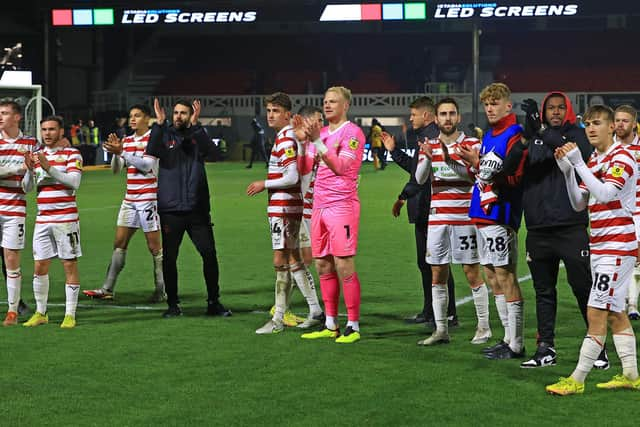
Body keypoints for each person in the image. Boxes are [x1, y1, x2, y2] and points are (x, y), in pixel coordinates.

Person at [546, 105, 640, 395]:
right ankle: (631, 375)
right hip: (601, 245)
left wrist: (579, 166)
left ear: (612, 127)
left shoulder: (622, 156)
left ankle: (577, 378)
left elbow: (607, 193)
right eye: (587, 124)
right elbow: (580, 203)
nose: (590, 128)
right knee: (615, 313)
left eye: (597, 123)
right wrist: (567, 172)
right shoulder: (595, 158)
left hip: (617, 246)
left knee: (596, 309)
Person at [508, 93, 600, 369]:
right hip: (538, 227)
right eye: (550, 108)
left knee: (583, 288)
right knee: (543, 291)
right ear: (544, 112)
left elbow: (574, 154)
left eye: (561, 108)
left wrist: (543, 131)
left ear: (569, 110)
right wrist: (526, 136)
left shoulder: (578, 135)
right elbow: (509, 167)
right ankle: (545, 348)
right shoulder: (534, 136)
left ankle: (598, 347)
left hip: (571, 226)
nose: (556, 112)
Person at [457, 83, 526, 360]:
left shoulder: (515, 134)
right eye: (487, 104)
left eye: (495, 103)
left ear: (508, 106)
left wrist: (482, 163)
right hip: (481, 214)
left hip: (500, 214)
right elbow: (485, 174)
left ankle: (517, 344)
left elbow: (514, 176)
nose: (490, 108)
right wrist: (476, 162)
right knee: (491, 275)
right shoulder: (488, 135)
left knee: (506, 276)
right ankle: (507, 338)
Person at [414, 97, 491, 345]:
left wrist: (448, 160)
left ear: (458, 117)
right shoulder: (430, 145)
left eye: (452, 114)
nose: (447, 118)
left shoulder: (472, 144)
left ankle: (484, 327)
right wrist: (426, 157)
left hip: (465, 217)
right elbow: (419, 178)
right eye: (443, 114)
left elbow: (473, 177)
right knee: (437, 273)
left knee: (471, 272)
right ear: (436, 119)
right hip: (438, 218)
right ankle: (441, 330)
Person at [146, 98, 230, 318]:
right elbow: (151, 150)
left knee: (209, 254)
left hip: (197, 208)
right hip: (171, 210)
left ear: (190, 115)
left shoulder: (196, 136)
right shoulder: (164, 135)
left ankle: (214, 302)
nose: (178, 116)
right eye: (176, 113)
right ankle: (173, 305)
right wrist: (159, 123)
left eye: (183, 113)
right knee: (170, 258)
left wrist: (196, 126)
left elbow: (213, 154)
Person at [247, 93, 323, 334]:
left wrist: (264, 184)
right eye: (269, 110)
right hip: (285, 207)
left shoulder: (286, 138)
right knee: (293, 259)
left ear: (288, 114)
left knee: (281, 260)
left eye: (276, 111)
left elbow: (292, 176)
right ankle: (315, 310)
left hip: (284, 207)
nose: (271, 115)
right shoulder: (286, 136)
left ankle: (278, 319)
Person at [297, 86, 366, 343]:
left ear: (345, 105)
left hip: (342, 205)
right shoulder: (322, 133)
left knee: (343, 263)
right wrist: (303, 142)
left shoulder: (353, 133)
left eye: (333, 102)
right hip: (319, 206)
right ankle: (330, 323)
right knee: (323, 264)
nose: (327, 106)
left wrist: (314, 141)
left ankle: (353, 325)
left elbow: (341, 167)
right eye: (325, 101)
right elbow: (305, 167)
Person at [381, 96, 457, 326]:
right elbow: (415, 170)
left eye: (413, 114)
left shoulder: (432, 137)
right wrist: (394, 151)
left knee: (437, 263)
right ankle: (430, 311)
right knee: (427, 263)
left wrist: (402, 196)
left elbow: (420, 179)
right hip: (424, 208)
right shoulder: (423, 137)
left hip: (431, 207)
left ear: (425, 115)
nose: (410, 118)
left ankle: (447, 313)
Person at [83, 104, 166, 303]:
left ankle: (162, 290)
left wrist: (123, 152)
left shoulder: (152, 140)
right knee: (119, 243)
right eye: (131, 116)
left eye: (137, 116)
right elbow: (115, 170)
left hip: (148, 199)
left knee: (154, 247)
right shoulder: (127, 141)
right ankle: (107, 288)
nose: (133, 119)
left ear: (148, 119)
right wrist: (116, 153)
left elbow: (147, 166)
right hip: (130, 199)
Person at [22, 116, 83, 328]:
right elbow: (27, 188)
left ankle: (70, 315)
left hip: (66, 219)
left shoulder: (72, 154)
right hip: (43, 219)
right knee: (40, 266)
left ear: (61, 131)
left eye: (51, 129)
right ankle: (41, 312)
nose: (47, 133)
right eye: (44, 130)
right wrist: (30, 170)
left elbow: (74, 183)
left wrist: (50, 169)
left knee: (69, 264)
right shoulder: (38, 156)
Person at [0, 100, 38, 326]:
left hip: (15, 210)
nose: (0, 116)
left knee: (11, 259)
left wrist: (27, 173)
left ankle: (13, 310)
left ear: (17, 117)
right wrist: (18, 169)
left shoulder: (31, 144)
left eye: (4, 113)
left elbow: (29, 185)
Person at [613, 105, 640, 320]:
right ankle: (621, 303)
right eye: (618, 120)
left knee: (636, 262)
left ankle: (632, 304)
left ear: (634, 124)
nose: (620, 124)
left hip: (638, 213)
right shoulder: (608, 148)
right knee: (617, 260)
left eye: (625, 120)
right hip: (614, 214)